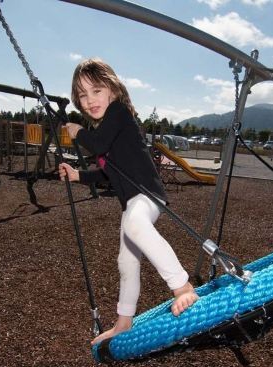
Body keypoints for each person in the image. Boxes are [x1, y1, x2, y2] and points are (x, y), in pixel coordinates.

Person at [58, 58, 198, 345]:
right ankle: (123, 322)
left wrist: (78, 132)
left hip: (147, 195)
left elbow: (96, 144)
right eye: (82, 95)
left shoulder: (118, 112)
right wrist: (77, 175)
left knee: (135, 223)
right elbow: (107, 173)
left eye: (96, 91)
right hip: (132, 202)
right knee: (126, 262)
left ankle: (183, 287)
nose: (89, 100)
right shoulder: (106, 130)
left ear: (113, 89)